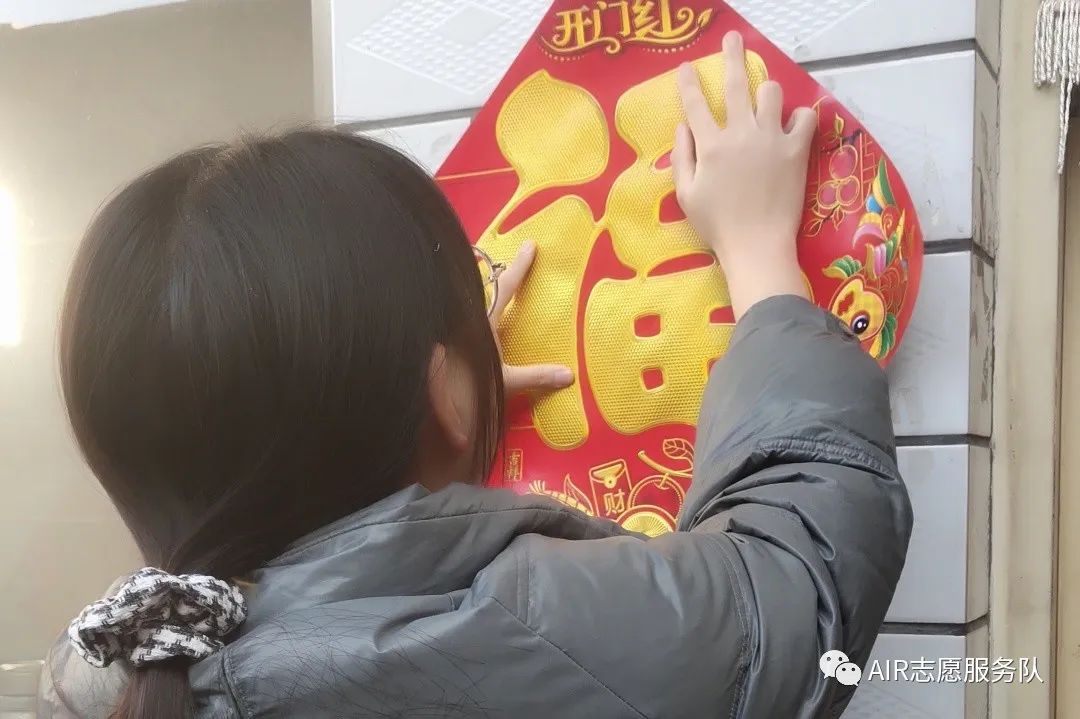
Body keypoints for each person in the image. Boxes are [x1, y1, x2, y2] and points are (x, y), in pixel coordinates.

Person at [38, 32, 911, 719]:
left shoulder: (105, 671)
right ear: (444, 389)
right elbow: (796, 592)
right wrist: (758, 250)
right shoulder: (534, 626)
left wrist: (434, 396)